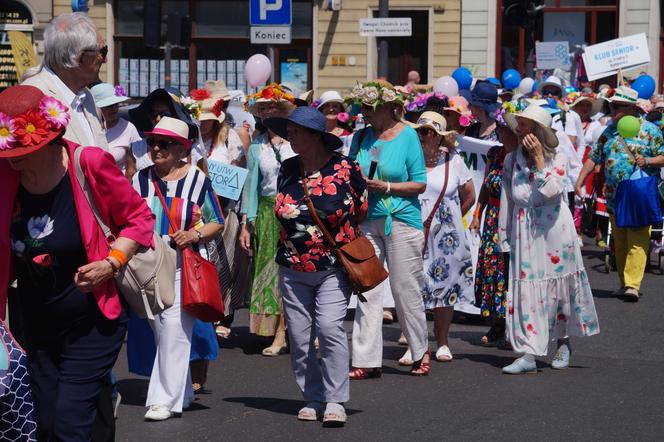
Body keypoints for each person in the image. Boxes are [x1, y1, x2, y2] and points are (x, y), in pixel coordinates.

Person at [0, 85, 154, 440]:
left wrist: (112, 262)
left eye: (21, 148)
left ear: (46, 139)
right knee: (48, 423)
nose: (12, 156)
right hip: (33, 321)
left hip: (92, 318)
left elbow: (139, 219)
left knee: (69, 422)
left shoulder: (89, 163)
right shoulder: (6, 175)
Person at [263, 106, 368, 426]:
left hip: (334, 265)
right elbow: (281, 207)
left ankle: (335, 399)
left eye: (295, 132)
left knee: (329, 327)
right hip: (293, 266)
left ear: (315, 136)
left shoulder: (347, 168)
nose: (289, 137)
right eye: (289, 132)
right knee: (299, 333)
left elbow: (361, 210)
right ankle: (312, 395)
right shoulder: (289, 167)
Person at [131, 116, 224, 420]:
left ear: (183, 149)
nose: (155, 149)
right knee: (161, 331)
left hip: (184, 262)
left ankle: (162, 400)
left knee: (173, 329)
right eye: (152, 143)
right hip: (147, 264)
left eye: (164, 144)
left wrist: (194, 234)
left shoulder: (197, 179)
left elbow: (216, 221)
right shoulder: (139, 179)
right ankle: (182, 390)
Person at [499, 104, 600, 374]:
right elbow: (508, 200)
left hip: (555, 230)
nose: (519, 130)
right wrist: (504, 235)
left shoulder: (558, 157)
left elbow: (553, 192)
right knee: (526, 289)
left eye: (524, 125)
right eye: (518, 124)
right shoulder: (511, 160)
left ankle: (563, 342)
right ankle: (529, 354)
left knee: (559, 290)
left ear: (539, 131)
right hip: (524, 230)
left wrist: (540, 160)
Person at [345, 81, 431, 377]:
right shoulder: (360, 138)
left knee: (404, 288)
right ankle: (366, 360)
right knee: (367, 288)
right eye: (363, 107)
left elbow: (420, 183)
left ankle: (420, 350)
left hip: (402, 219)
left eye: (369, 107)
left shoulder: (408, 136)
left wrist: (388, 186)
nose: (364, 112)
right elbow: (349, 173)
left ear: (386, 108)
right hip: (368, 219)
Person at [575, 86, 664, 302]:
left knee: (637, 239)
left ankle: (633, 284)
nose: (614, 110)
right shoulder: (609, 131)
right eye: (612, 106)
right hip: (615, 195)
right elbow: (594, 158)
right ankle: (625, 283)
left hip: (640, 195)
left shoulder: (651, 131)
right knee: (620, 240)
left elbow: (663, 157)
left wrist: (648, 161)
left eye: (619, 106)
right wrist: (579, 181)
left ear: (632, 108)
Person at [239, 84, 296, 356]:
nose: (267, 111)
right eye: (262, 108)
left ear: (283, 110)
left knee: (294, 272)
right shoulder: (257, 147)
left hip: (295, 212)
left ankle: (288, 331)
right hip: (265, 212)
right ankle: (274, 329)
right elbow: (251, 185)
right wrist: (245, 223)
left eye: (271, 106)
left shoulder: (296, 142)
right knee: (268, 273)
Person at [414, 112, 475, 362]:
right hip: (413, 227)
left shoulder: (454, 160)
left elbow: (469, 195)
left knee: (444, 286)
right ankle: (416, 343)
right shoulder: (410, 159)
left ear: (439, 137)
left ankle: (442, 341)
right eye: (419, 131)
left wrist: (449, 220)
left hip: (446, 236)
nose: (422, 136)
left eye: (427, 132)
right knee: (413, 285)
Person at [21, 12, 108, 150]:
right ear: (78, 57)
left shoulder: (87, 97)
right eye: (102, 52)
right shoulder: (31, 97)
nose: (105, 59)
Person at [129, 87, 206, 175]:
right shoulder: (137, 149)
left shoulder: (194, 151)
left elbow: (204, 185)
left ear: (178, 116)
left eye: (165, 114)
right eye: (153, 114)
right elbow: (127, 186)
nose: (157, 119)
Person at [91, 83, 141, 177]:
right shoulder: (88, 126)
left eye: (116, 104)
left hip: (117, 186)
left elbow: (137, 163)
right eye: (109, 106)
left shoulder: (129, 128)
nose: (114, 109)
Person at [316, 91, 354, 155]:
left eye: (335, 106)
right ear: (321, 110)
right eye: (327, 106)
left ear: (340, 110)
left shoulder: (348, 135)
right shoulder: (315, 133)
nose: (331, 109)